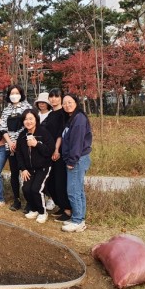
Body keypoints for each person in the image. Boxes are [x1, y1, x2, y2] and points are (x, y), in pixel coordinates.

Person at [60, 94, 92, 233]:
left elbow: (77, 143)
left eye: (70, 102)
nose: (67, 105)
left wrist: (72, 160)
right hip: (77, 158)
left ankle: (77, 220)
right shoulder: (72, 118)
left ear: (76, 103)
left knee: (73, 191)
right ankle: (80, 218)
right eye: (64, 103)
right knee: (78, 190)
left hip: (77, 160)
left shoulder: (78, 119)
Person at [17, 109, 55, 224]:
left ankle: (43, 212)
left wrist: (36, 144)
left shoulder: (43, 132)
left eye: (30, 119)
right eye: (25, 119)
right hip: (29, 169)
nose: (28, 122)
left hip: (43, 167)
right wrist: (23, 169)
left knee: (36, 189)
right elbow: (19, 154)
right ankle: (33, 209)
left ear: (36, 119)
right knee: (26, 189)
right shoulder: (22, 135)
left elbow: (49, 150)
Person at [0, 84, 33, 211]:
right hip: (10, 146)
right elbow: (2, 127)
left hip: (24, 145)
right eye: (11, 93)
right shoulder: (6, 110)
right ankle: (17, 199)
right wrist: (9, 142)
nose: (14, 95)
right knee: (14, 174)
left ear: (21, 94)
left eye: (16, 93)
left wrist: (18, 142)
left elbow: (29, 126)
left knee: (27, 172)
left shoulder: (27, 107)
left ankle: (30, 201)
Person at [44, 88, 73, 221]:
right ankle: (61, 205)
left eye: (56, 96)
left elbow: (60, 134)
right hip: (49, 152)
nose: (53, 99)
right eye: (51, 96)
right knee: (50, 182)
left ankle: (68, 211)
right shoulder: (50, 114)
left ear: (61, 98)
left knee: (60, 182)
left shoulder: (63, 114)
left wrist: (56, 150)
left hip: (59, 153)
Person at [34, 92, 57, 212]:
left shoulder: (52, 115)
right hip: (35, 149)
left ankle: (51, 198)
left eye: (44, 102)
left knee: (49, 176)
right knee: (39, 175)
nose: (42, 104)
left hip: (47, 148)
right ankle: (40, 197)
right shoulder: (35, 115)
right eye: (40, 102)